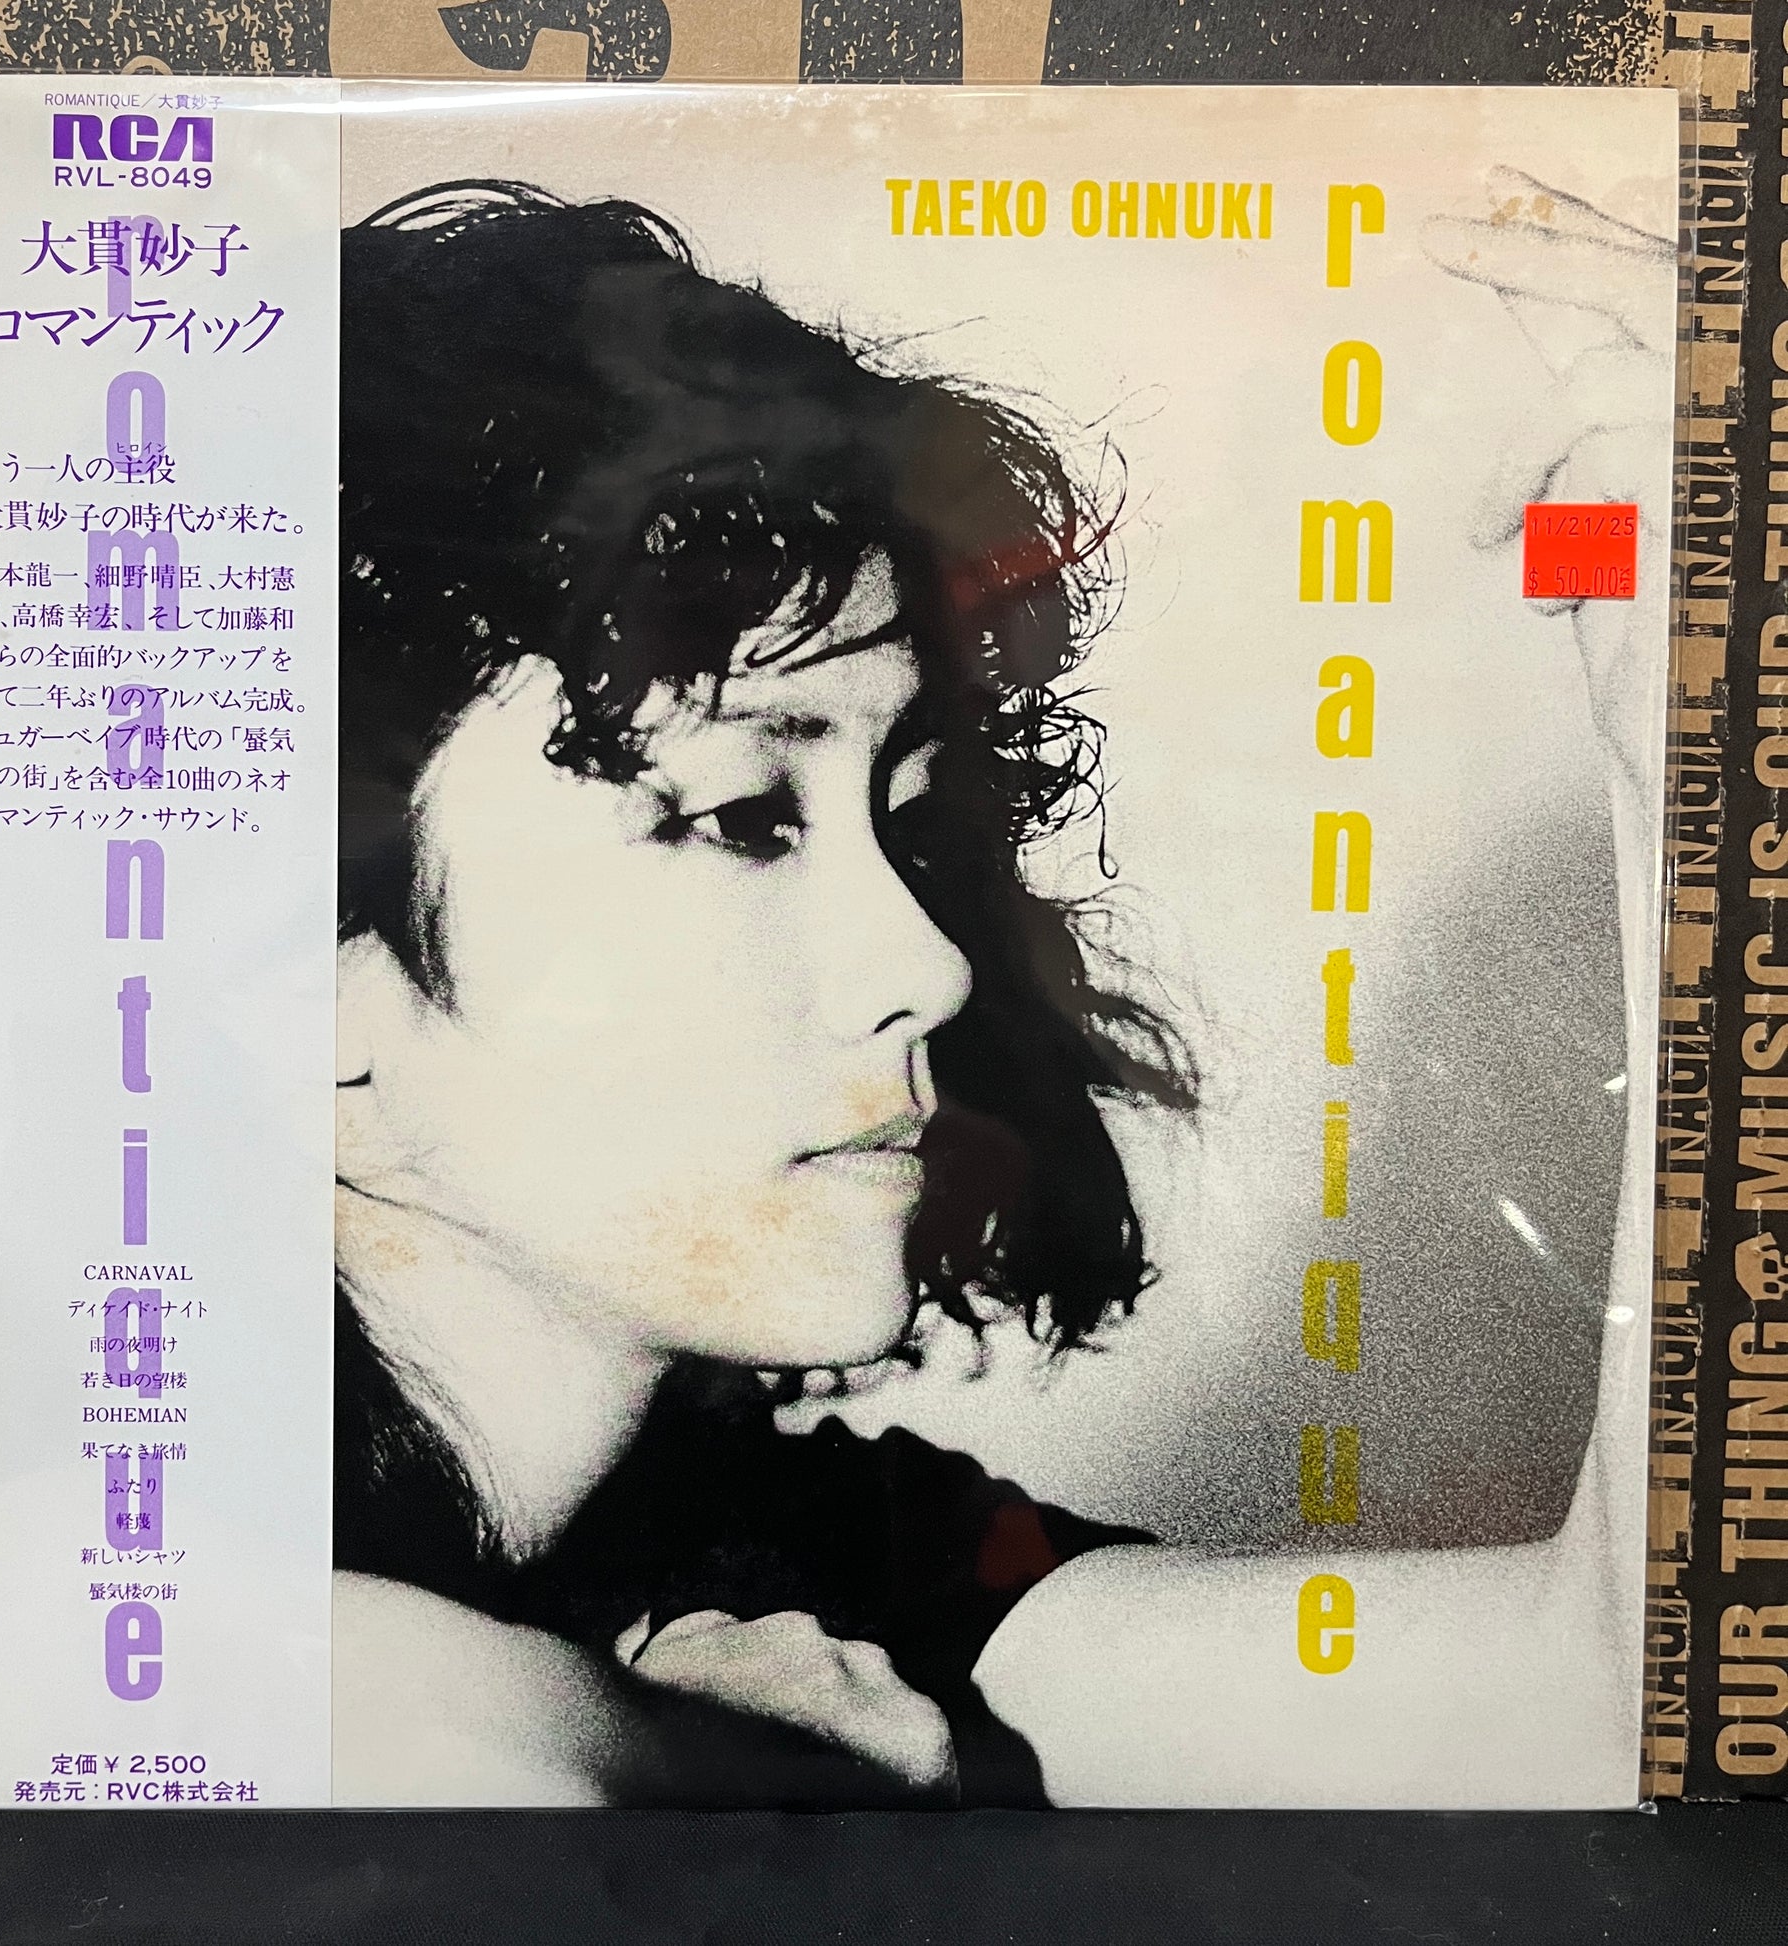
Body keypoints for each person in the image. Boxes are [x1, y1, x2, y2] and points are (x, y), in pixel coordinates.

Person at [329, 173, 1671, 1808]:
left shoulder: (789, 1564)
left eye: (901, 821)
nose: (930, 963)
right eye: (743, 817)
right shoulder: (122, 1539)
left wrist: (1701, 771)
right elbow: (419, 1722)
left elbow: (1609, 1709)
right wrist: (696, 1767)